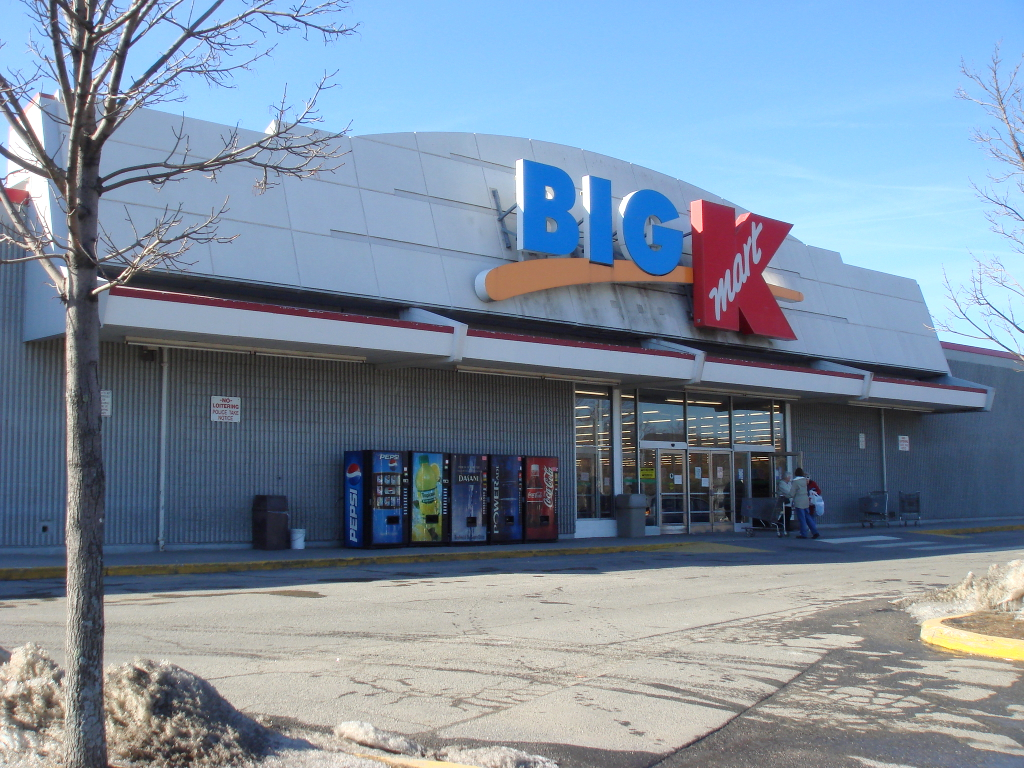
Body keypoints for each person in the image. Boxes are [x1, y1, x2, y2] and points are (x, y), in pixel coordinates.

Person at [789, 468, 819, 539]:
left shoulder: (795, 482)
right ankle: (815, 532)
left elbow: (792, 493)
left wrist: (786, 495)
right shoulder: (805, 481)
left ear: (795, 473)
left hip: (799, 501)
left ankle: (803, 534)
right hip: (805, 500)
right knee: (808, 517)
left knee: (801, 518)